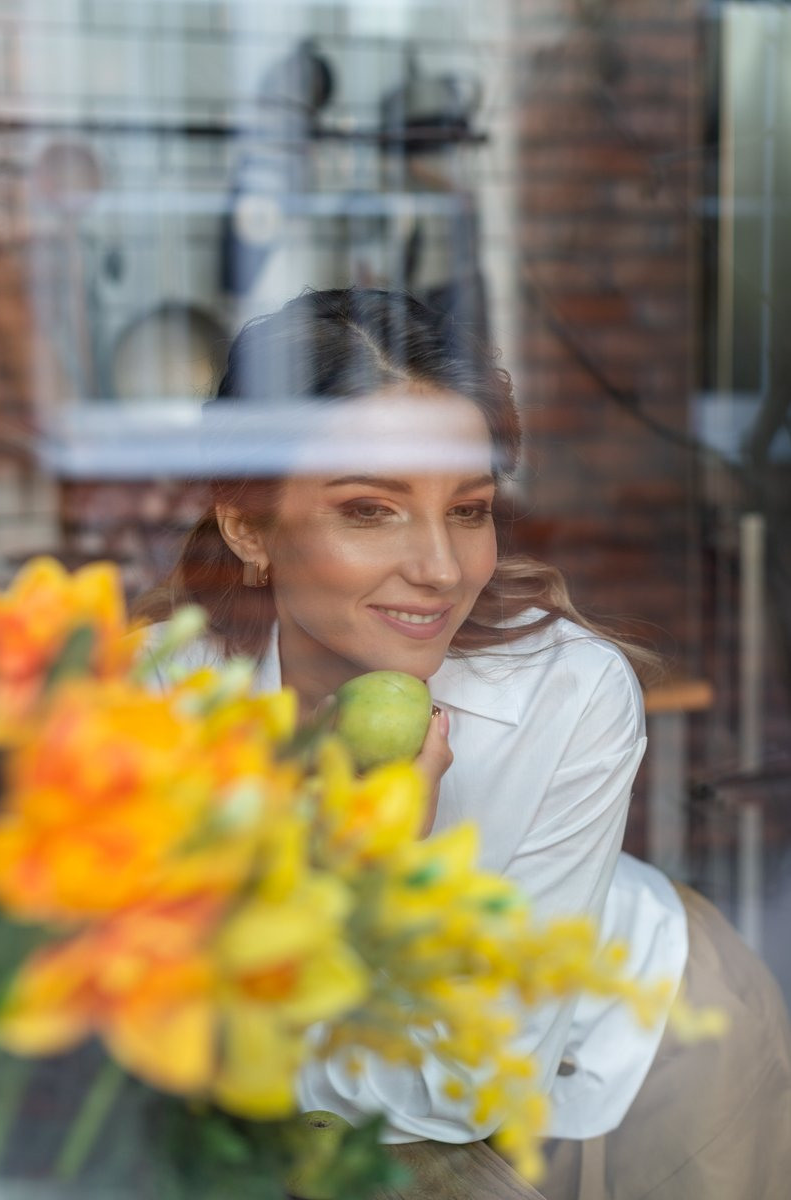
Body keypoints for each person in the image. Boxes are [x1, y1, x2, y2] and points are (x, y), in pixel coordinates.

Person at [142, 287, 791, 1199]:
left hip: (642, 1053)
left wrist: (373, 883)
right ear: (249, 524)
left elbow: (458, 1090)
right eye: (370, 510)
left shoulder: (569, 693)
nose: (442, 570)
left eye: (470, 509)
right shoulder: (165, 695)